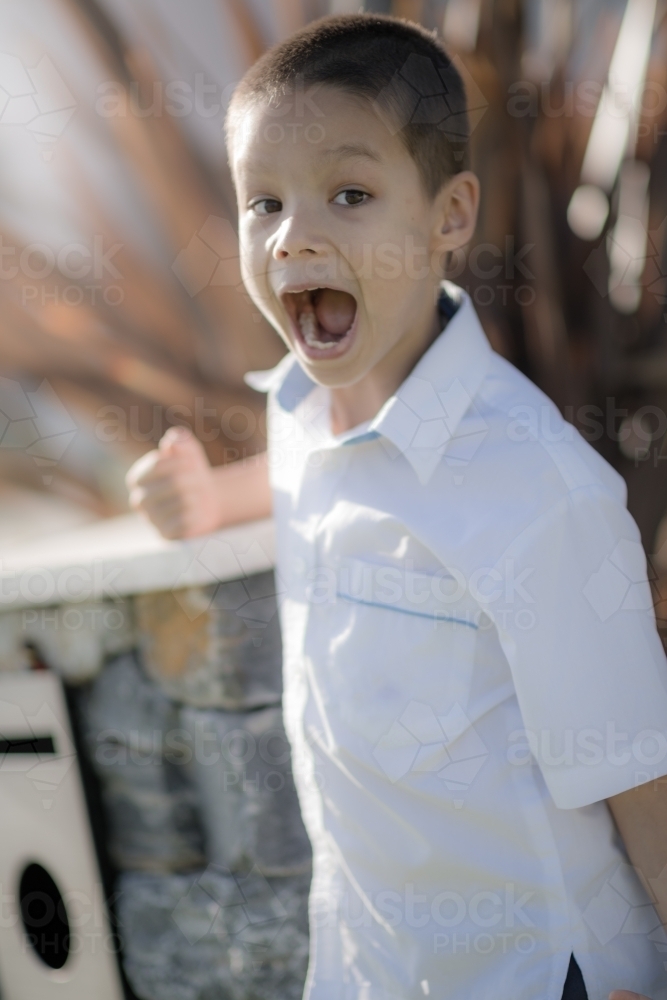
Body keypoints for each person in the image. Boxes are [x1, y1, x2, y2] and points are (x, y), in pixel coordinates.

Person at [126, 14, 667, 1000]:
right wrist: (207, 499)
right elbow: (320, 475)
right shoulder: (301, 414)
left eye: (351, 193)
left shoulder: (534, 489)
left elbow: (642, 784)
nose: (295, 234)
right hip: (373, 968)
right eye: (264, 202)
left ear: (449, 215)